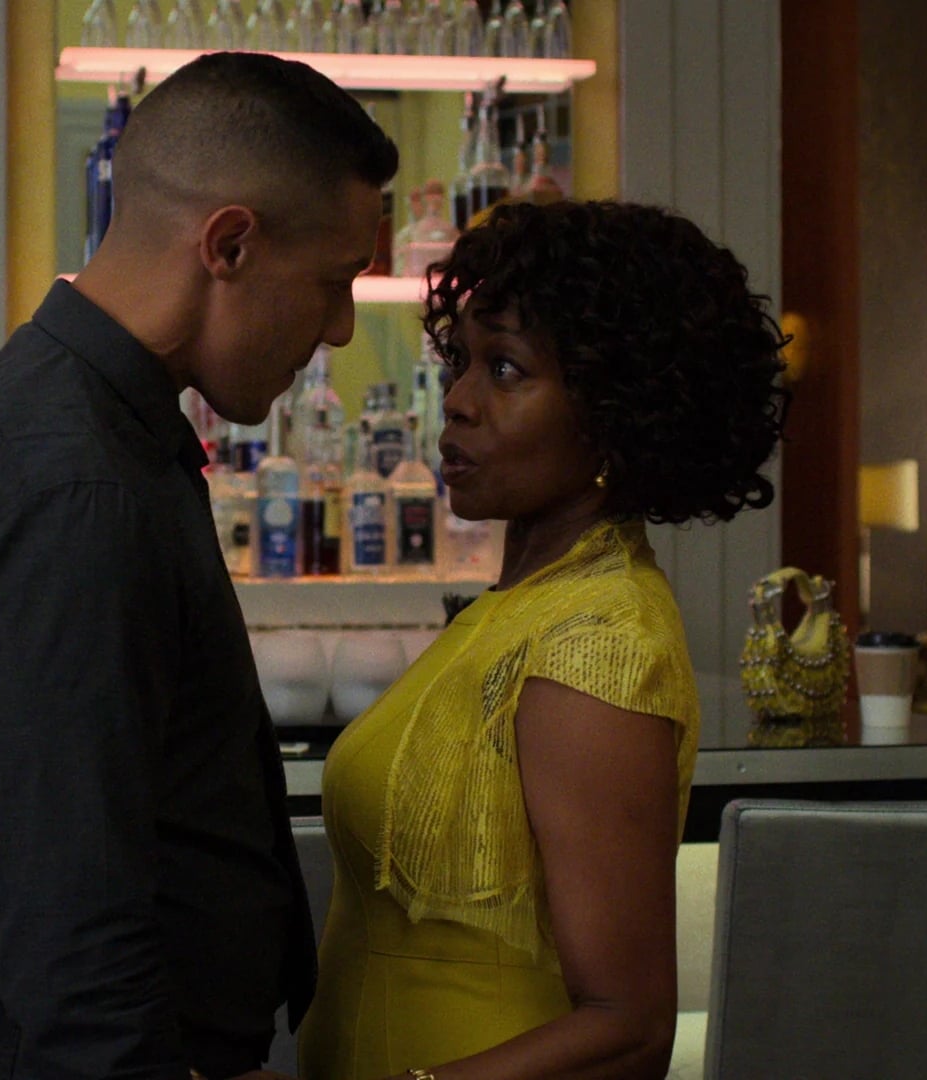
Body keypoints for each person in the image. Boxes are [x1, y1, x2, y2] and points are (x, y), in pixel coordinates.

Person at [0, 53, 397, 1080]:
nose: (339, 329)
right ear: (229, 245)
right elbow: (74, 919)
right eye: (335, 282)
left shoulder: (73, 421)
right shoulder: (77, 483)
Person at [297, 199, 790, 1080]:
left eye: (506, 369)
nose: (458, 402)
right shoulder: (518, 608)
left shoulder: (596, 641)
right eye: (461, 361)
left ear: (612, 413)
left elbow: (628, 1028)